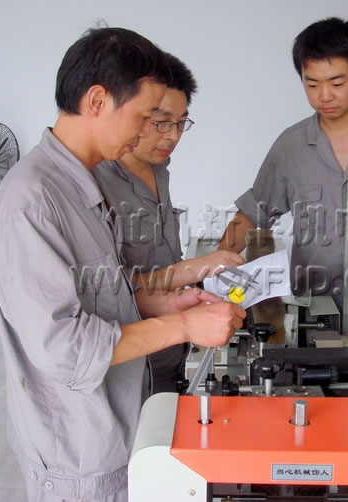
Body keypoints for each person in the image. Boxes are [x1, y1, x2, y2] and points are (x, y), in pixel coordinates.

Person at [0, 27, 245, 502]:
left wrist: (156, 303)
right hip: (80, 453)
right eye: (144, 116)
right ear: (97, 101)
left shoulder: (78, 185)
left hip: (120, 420)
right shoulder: (33, 199)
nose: (146, 133)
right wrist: (185, 326)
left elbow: (100, 290)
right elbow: (64, 348)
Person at [218, 17, 348, 309]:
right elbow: (253, 213)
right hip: (314, 306)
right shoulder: (292, 145)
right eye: (312, 84)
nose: (324, 96)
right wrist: (212, 270)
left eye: (337, 83)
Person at [93, 52, 244, 393]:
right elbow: (112, 291)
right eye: (160, 122)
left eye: (180, 123)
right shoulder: (97, 184)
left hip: (171, 355)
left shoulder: (159, 169)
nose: (172, 136)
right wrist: (195, 268)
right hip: (130, 365)